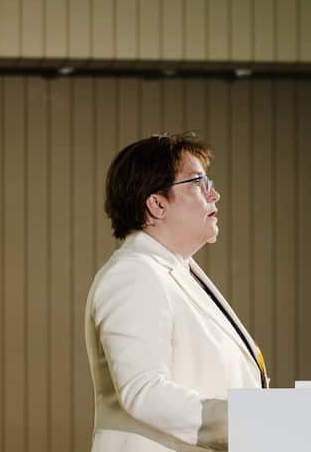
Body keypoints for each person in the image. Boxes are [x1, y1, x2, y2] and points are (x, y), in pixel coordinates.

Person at [84, 132, 268, 452]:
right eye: (198, 182)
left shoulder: (175, 270)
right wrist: (255, 420)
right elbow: (144, 390)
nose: (215, 195)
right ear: (156, 204)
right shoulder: (135, 273)